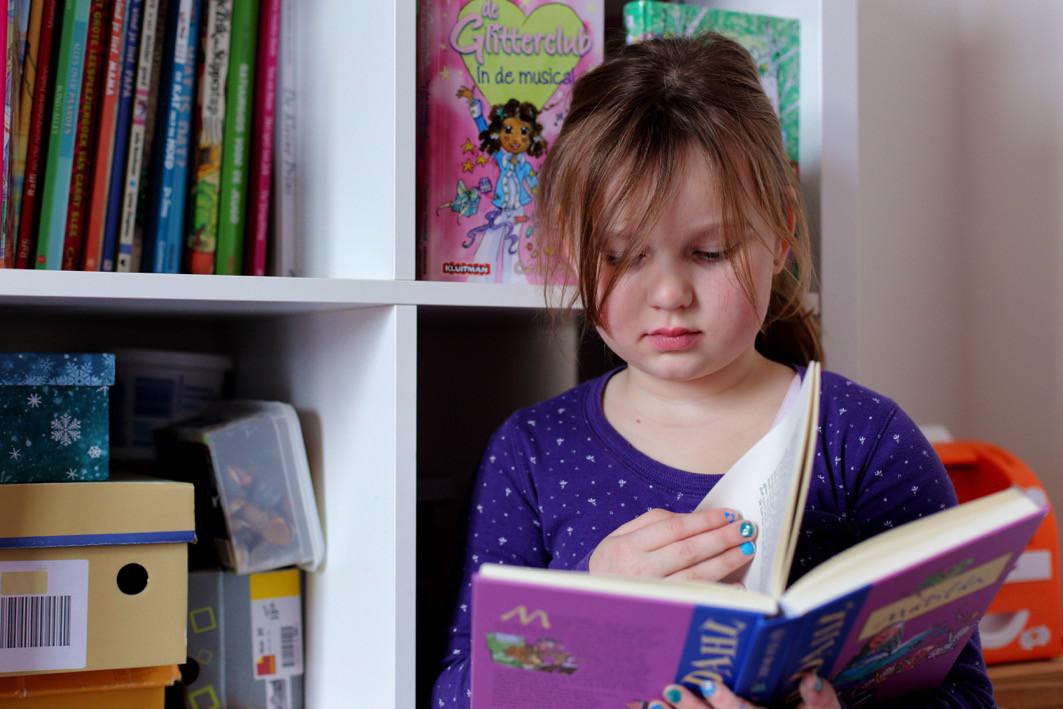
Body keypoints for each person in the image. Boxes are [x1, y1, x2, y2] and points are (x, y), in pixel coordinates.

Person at [431, 34, 995, 708]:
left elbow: (960, 693)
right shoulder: (533, 452)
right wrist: (588, 602)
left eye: (708, 251)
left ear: (779, 231)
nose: (668, 292)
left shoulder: (864, 441)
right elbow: (461, 693)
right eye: (620, 255)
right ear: (568, 245)